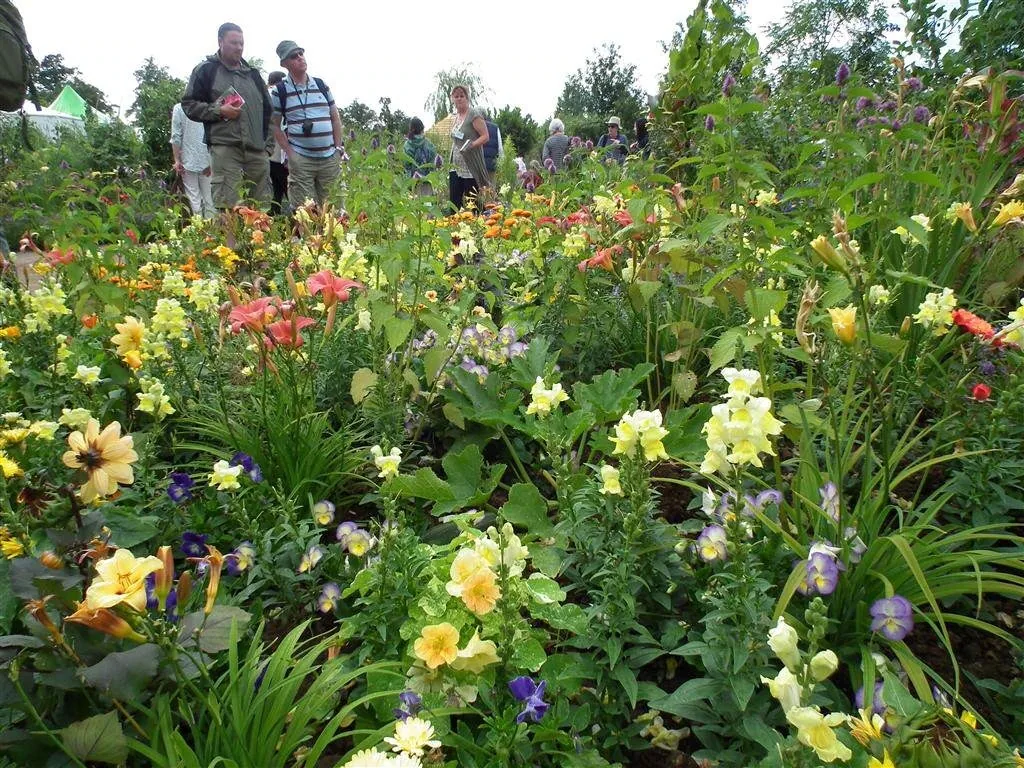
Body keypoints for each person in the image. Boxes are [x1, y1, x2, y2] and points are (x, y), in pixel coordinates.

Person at [182, 22, 273, 209]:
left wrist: (268, 148)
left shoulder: (253, 75)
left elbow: (269, 113)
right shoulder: (206, 70)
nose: (239, 47)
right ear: (220, 41)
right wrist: (218, 111)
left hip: (257, 151)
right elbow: (189, 104)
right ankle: (230, 240)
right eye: (234, 43)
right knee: (228, 206)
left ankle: (257, 239)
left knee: (261, 208)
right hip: (225, 148)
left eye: (241, 43)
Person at [270, 40, 344, 209]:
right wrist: (290, 154)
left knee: (335, 210)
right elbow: (274, 125)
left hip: (329, 158)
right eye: (293, 56)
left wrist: (338, 148)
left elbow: (335, 118)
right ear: (284, 63)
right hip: (302, 159)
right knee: (306, 213)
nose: (300, 58)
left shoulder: (321, 85)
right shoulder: (280, 90)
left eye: (301, 54)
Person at [448, 84, 490, 211]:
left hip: (470, 164)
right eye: (456, 96)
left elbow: (485, 136)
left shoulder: (473, 114)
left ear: (467, 98)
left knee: (473, 201)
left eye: (462, 96)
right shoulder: (455, 117)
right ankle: (454, 226)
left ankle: (478, 225)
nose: (459, 99)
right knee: (454, 201)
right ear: (452, 99)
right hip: (455, 164)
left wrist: (472, 145)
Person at [170, 103, 215, 218]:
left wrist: (177, 160)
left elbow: (176, 136)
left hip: (187, 161)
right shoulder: (207, 107)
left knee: (194, 201)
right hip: (208, 160)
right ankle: (213, 232)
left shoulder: (179, 108)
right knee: (210, 200)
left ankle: (200, 231)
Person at [266, 71, 289, 214]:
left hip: (268, 153)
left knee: (276, 191)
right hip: (280, 153)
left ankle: (275, 220)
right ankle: (295, 226)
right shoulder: (277, 96)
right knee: (287, 189)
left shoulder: (263, 96)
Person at [403, 117, 436, 195]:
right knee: (428, 203)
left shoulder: (407, 145)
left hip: (413, 180)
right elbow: (433, 162)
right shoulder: (429, 144)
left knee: (415, 204)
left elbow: (406, 164)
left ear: (411, 129)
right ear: (422, 128)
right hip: (428, 179)